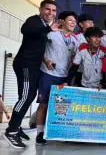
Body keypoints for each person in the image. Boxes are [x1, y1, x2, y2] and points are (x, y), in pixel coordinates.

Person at [3, 0, 60, 149]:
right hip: (26, 65)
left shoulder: (43, 26)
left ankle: (15, 126)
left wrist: (46, 60)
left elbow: (36, 47)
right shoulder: (34, 21)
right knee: (26, 97)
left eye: (54, 10)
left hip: (34, 66)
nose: (51, 13)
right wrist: (49, 29)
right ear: (40, 9)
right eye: (48, 9)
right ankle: (11, 131)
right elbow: (25, 30)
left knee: (28, 97)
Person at [36, 11, 79, 145]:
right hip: (48, 74)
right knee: (43, 104)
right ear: (63, 21)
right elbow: (39, 48)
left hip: (64, 77)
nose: (73, 23)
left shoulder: (75, 40)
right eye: (70, 20)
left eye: (75, 21)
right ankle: (39, 133)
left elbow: (74, 59)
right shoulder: (52, 34)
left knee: (60, 106)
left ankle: (57, 132)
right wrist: (46, 60)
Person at [74, 14, 94, 86]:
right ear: (81, 24)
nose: (92, 24)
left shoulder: (97, 37)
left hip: (94, 71)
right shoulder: (76, 37)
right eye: (89, 22)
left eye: (92, 22)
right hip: (80, 71)